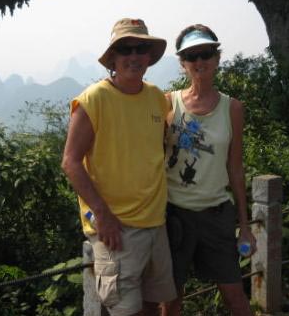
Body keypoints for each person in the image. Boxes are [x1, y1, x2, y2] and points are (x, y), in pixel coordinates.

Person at [62, 18, 177, 316]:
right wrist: (102, 215)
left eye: (141, 48)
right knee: (126, 310)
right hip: (117, 229)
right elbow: (71, 162)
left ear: (149, 56)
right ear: (112, 57)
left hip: (155, 223)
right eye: (125, 49)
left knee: (153, 305)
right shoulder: (93, 99)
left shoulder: (156, 97)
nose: (134, 55)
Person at [162, 24, 255, 316]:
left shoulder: (232, 108)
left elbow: (235, 168)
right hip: (173, 215)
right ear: (183, 63)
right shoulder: (168, 103)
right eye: (191, 56)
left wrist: (245, 226)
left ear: (216, 58)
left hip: (216, 214)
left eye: (205, 53)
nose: (199, 62)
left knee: (234, 296)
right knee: (171, 300)